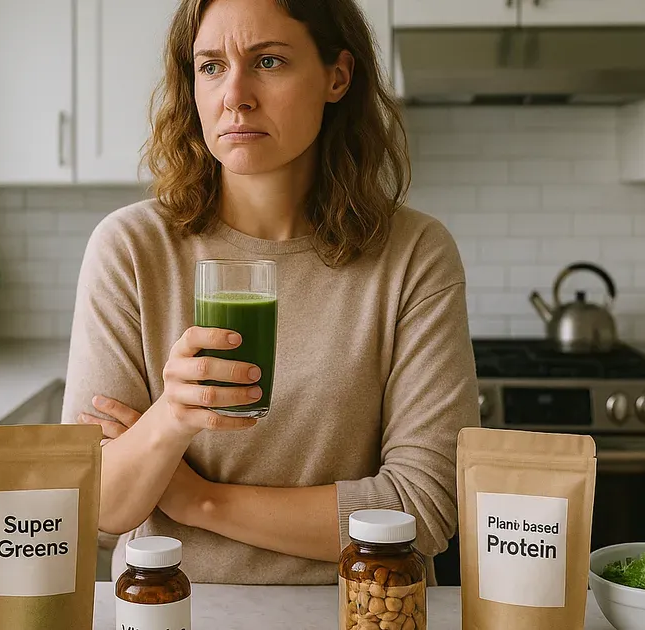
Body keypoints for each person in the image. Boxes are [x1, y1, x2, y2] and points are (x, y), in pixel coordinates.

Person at [61, 0, 479, 585]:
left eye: (270, 61)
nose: (235, 95)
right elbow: (95, 507)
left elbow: (425, 509)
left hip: (363, 614)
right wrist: (171, 419)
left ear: (337, 76)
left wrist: (198, 501)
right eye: (210, 67)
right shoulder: (130, 249)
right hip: (173, 610)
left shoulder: (413, 254)